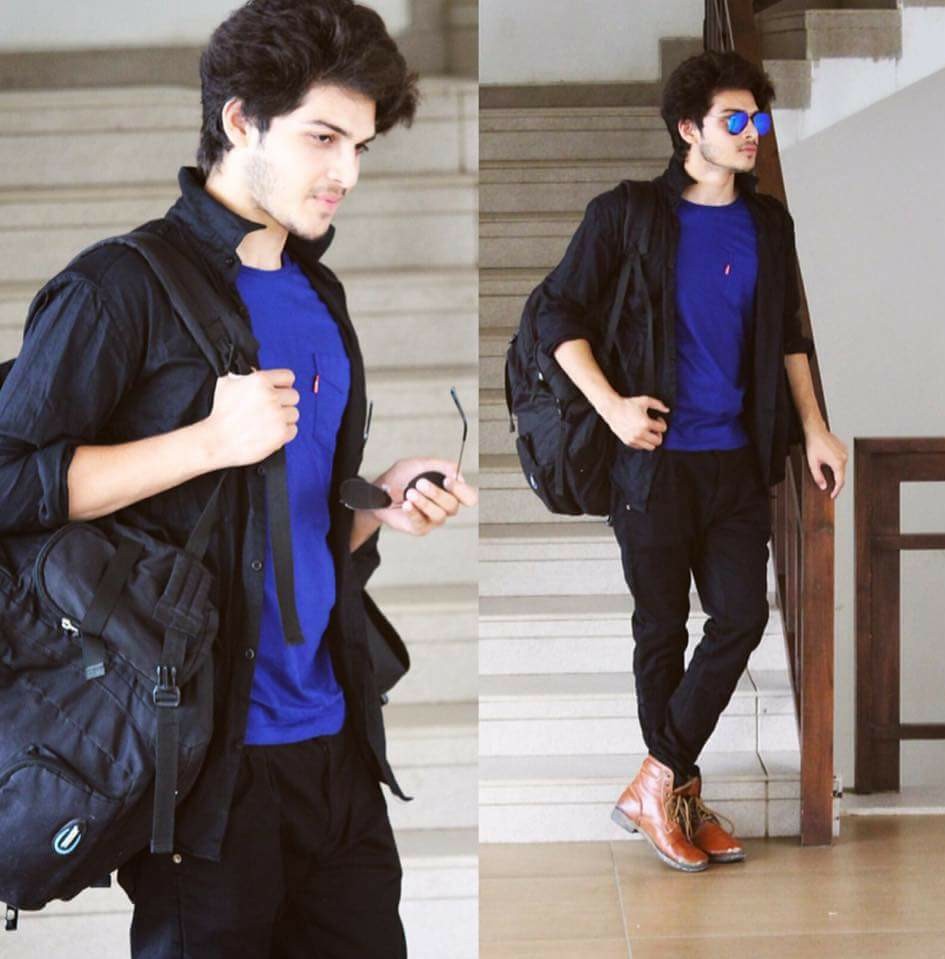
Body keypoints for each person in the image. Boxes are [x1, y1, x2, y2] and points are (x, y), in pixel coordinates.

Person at [0, 0, 477, 953]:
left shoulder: (318, 294)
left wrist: (378, 504)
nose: (346, 173)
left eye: (360, 147)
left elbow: (278, 527)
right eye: (322, 137)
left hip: (335, 746)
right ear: (239, 119)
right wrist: (207, 442)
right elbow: (9, 479)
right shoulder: (119, 287)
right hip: (204, 771)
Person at [532, 50, 847, 873]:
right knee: (661, 629)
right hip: (653, 465)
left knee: (740, 616)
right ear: (686, 130)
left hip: (735, 461)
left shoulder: (767, 223)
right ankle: (674, 796)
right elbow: (553, 315)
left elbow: (787, 334)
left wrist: (815, 427)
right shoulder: (627, 215)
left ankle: (657, 781)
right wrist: (611, 406)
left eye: (757, 119)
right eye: (732, 120)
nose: (750, 133)